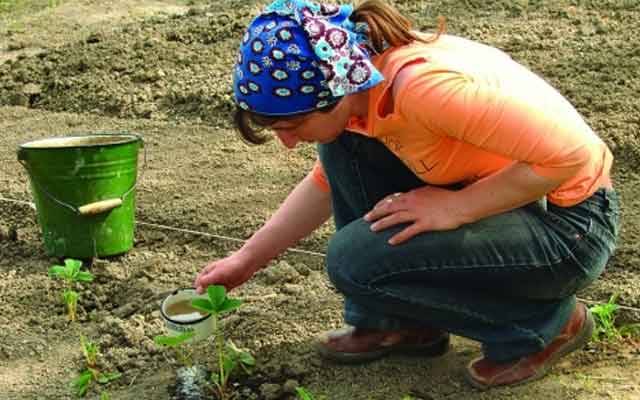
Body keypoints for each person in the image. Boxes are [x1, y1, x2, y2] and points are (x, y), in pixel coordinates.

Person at [194, 0, 620, 390]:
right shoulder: (359, 86)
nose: (287, 144)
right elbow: (327, 184)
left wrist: (455, 208)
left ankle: (546, 326)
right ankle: (397, 324)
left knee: (353, 261)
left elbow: (574, 155)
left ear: (334, 93)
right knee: (344, 146)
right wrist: (246, 260)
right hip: (511, 192)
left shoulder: (422, 90)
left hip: (571, 229)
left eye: (292, 127)